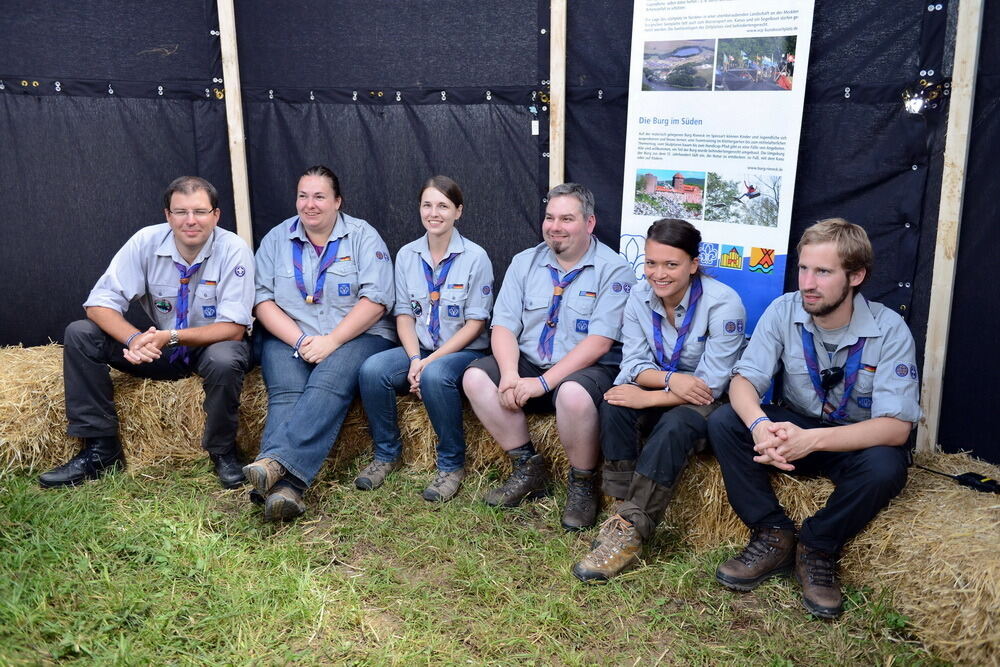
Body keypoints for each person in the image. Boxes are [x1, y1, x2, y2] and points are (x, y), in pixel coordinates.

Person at [708, 218, 921, 618]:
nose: (808, 282)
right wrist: (759, 426)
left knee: (886, 465)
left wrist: (814, 441)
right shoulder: (784, 309)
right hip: (792, 431)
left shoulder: (890, 329)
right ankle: (773, 534)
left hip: (847, 441)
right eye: (804, 268)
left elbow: (896, 427)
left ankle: (817, 546)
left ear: (856, 276)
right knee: (724, 422)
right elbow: (742, 382)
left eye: (823, 272)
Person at [39, 176, 255, 489]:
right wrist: (133, 338)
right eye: (180, 212)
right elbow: (98, 305)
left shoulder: (234, 249)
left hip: (208, 346)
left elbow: (233, 329)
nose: (190, 220)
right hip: (159, 348)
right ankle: (101, 450)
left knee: (226, 356)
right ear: (168, 216)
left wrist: (170, 338)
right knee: (81, 333)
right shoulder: (145, 242)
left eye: (200, 211)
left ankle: (223, 451)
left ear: (216, 215)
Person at [572, 218, 746, 582]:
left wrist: (650, 399)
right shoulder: (638, 295)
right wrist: (670, 381)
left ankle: (632, 531)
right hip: (672, 383)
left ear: (693, 264)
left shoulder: (724, 304)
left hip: (710, 404)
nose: (658, 274)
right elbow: (633, 364)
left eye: (671, 264)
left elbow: (709, 386)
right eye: (651, 263)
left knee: (676, 421)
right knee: (616, 400)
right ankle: (620, 509)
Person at [462, 183, 635, 530]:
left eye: (567, 218)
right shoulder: (524, 262)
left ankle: (583, 484)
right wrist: (510, 374)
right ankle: (528, 467)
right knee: (475, 377)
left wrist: (543, 383)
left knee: (571, 395)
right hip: (529, 360)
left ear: (589, 223)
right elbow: (504, 326)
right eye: (550, 217)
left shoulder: (614, 269)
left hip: (586, 366)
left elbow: (600, 342)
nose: (555, 226)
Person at [246, 165, 396, 522]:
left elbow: (376, 301)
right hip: (290, 335)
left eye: (319, 196)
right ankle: (286, 490)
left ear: (337, 202)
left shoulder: (363, 236)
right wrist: (299, 339)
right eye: (303, 195)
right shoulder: (276, 239)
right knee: (286, 394)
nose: (309, 204)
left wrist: (332, 341)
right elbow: (262, 300)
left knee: (328, 383)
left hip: (357, 336)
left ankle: (274, 466)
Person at [356, 176, 493, 502]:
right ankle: (386, 455)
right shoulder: (406, 255)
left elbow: (474, 325)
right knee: (372, 370)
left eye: (443, 206)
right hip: (419, 348)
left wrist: (428, 362)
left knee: (435, 375)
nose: (435, 213)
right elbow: (404, 315)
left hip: (463, 352)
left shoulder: (476, 258)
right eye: (427, 205)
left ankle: (451, 466)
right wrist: (416, 358)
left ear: (458, 211)